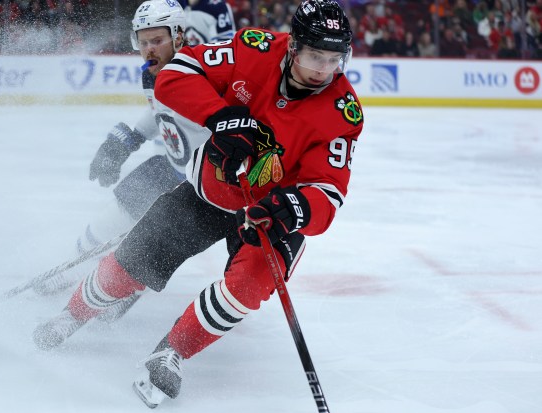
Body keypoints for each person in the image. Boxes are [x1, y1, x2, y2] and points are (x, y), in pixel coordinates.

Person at [34, 0, 364, 408]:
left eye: (334, 59)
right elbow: (175, 74)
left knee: (252, 282)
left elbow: (328, 191)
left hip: (268, 217)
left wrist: (294, 208)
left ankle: (171, 351)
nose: (322, 70)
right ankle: (72, 314)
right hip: (208, 193)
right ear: (294, 46)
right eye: (316, 56)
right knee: (132, 262)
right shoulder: (253, 49)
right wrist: (221, 116)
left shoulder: (341, 112)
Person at [33, 0, 213, 297]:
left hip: (202, 186)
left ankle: (118, 289)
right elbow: (162, 111)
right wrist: (129, 138)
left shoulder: (204, 70)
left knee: (146, 246)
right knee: (112, 216)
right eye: (143, 42)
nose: (149, 49)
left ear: (178, 36)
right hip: (170, 167)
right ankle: (72, 269)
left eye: (157, 40)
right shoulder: (150, 73)